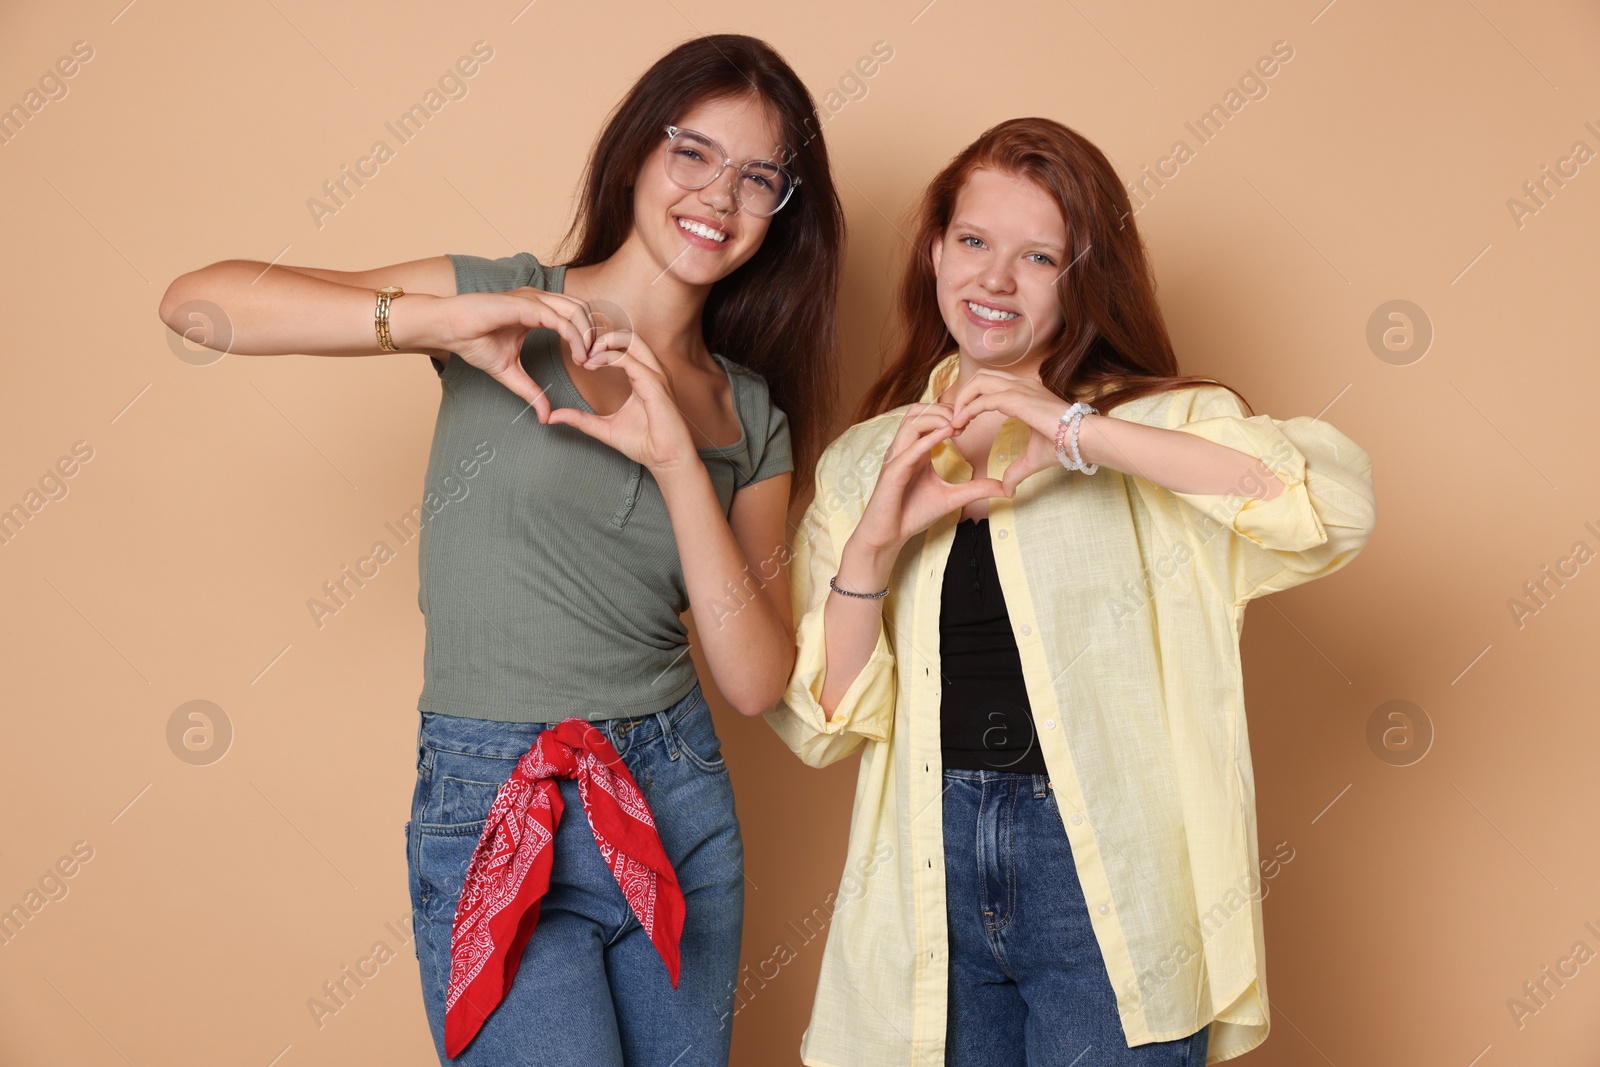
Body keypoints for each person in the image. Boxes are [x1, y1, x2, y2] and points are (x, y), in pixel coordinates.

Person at [159, 34, 844, 1066]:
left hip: (672, 793)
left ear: (783, 208)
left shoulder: (747, 411)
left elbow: (755, 677)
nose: (720, 195)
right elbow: (198, 303)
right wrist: (442, 318)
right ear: (637, 155)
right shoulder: (500, 301)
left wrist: (673, 462)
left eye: (760, 177)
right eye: (693, 153)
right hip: (491, 792)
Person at [765, 117, 1377, 1066]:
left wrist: (1076, 430)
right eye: (973, 241)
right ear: (935, 251)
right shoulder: (862, 463)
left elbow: (1326, 507)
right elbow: (826, 721)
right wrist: (876, 543)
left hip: (1107, 881)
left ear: (1081, 275)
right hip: (926, 877)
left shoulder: (1160, 428)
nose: (994, 280)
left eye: (1038, 255)